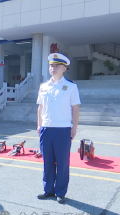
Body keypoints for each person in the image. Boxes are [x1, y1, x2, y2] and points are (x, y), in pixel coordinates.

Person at [36, 53, 81, 204]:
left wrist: (74, 127)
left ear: (65, 68)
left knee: (62, 162)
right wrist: (39, 124)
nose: (53, 68)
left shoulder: (71, 86)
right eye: (51, 65)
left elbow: (75, 109)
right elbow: (40, 107)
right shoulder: (43, 87)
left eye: (57, 65)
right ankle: (48, 189)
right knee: (47, 161)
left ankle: (61, 192)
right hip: (46, 129)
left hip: (62, 129)